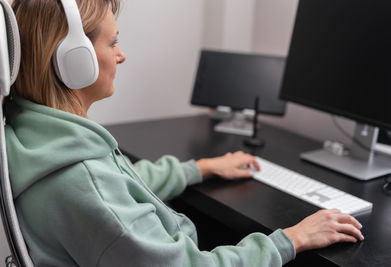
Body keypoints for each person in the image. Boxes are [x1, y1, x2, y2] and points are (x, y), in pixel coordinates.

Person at [4, 0, 364, 266]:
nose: (122, 55)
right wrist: (291, 239)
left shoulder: (36, 137)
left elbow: (122, 183)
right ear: (72, 61)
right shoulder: (83, 181)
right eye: (112, 42)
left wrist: (200, 168)